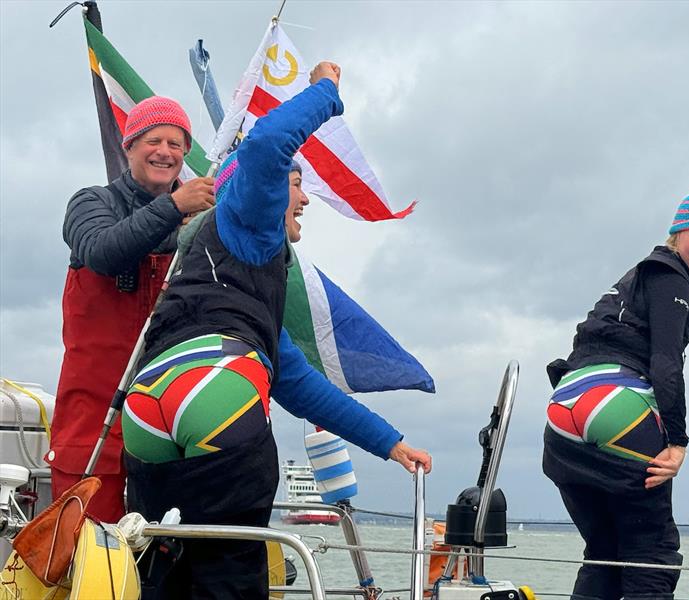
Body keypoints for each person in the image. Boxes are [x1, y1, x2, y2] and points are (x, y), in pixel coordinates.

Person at [120, 62, 431, 599]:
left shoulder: (219, 275)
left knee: (161, 573)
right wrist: (326, 90)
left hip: (147, 406)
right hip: (217, 387)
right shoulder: (252, 220)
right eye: (296, 184)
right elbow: (265, 147)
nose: (304, 199)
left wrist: (390, 443)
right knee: (230, 575)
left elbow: (301, 385)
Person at [542, 189, 689, 599]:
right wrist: (679, 442)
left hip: (566, 405)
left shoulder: (636, 278)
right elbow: (665, 363)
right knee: (653, 553)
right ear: (677, 233)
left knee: (605, 551)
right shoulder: (670, 277)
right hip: (616, 401)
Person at [48, 96, 216, 522]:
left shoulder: (205, 222)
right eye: (154, 140)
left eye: (177, 144)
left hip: (170, 420)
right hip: (92, 425)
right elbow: (104, 252)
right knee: (82, 553)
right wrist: (176, 209)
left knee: (165, 555)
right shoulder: (89, 204)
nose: (166, 151)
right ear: (128, 146)